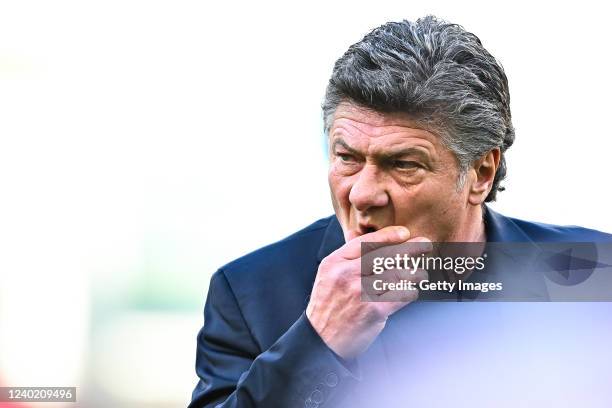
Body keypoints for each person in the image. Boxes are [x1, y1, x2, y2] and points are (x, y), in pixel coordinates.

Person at [188, 16, 612, 408]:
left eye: (403, 164)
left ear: (482, 171)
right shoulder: (250, 293)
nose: (362, 194)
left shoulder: (593, 276)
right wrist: (318, 344)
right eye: (347, 157)